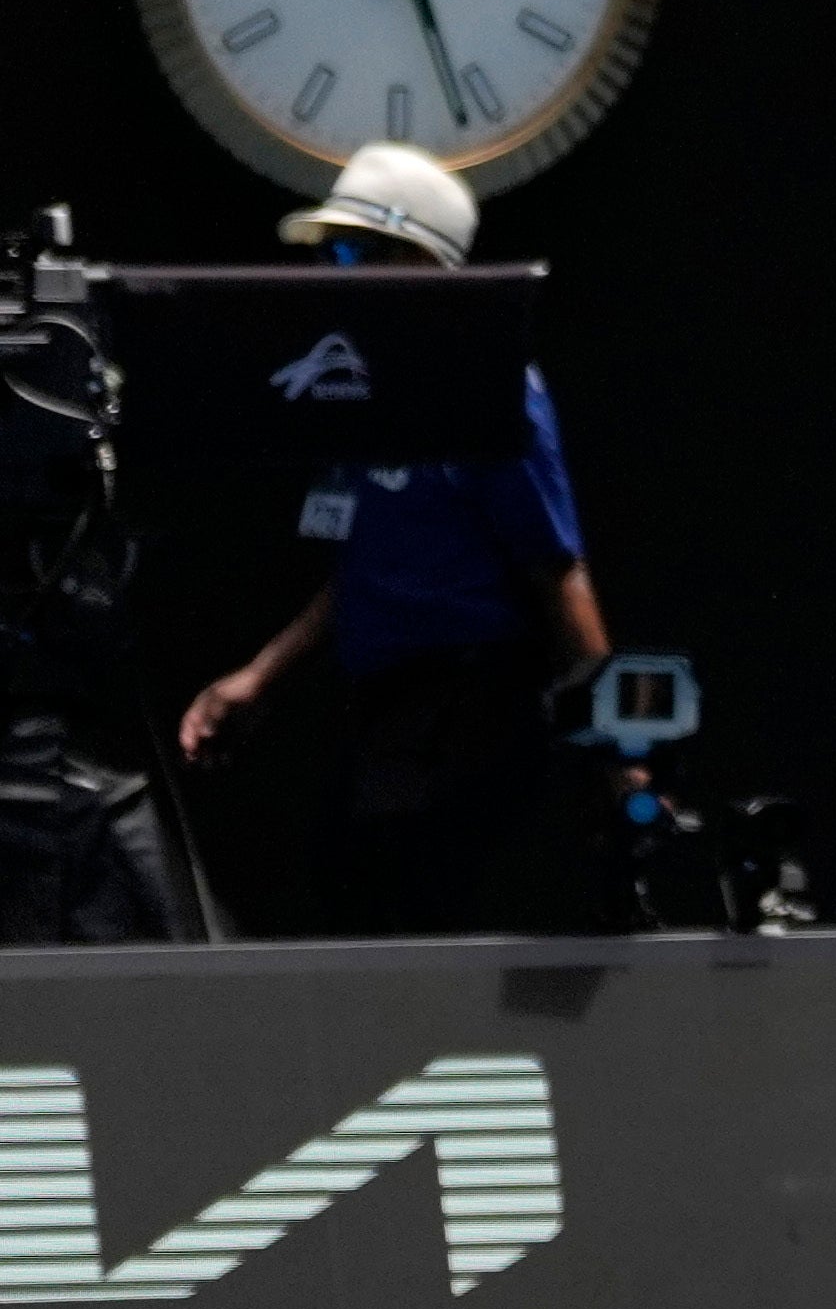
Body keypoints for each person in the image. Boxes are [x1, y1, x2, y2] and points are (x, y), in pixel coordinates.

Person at [166, 143, 612, 935]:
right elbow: (367, 563)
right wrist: (261, 675)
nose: (329, 272)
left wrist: (617, 742)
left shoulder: (490, 387)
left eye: (348, 251)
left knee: (421, 928)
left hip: (474, 715)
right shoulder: (367, 393)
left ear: (418, 259)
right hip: (387, 714)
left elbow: (557, 570)